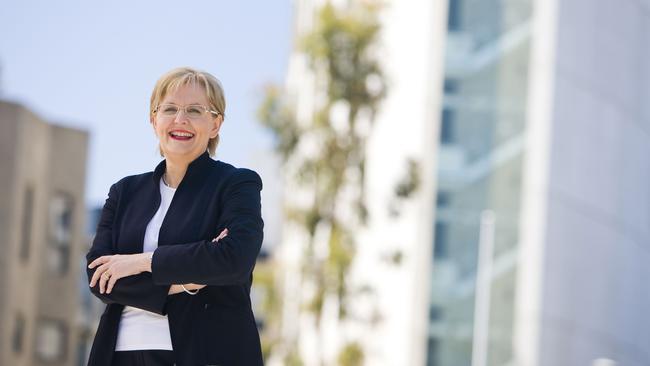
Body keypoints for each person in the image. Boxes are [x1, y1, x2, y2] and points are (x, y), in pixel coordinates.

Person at [85, 67, 264, 366]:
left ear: (216, 124)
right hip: (119, 354)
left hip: (206, 352)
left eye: (195, 110)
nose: (180, 120)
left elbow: (234, 259)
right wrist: (185, 281)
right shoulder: (124, 191)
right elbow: (98, 276)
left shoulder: (236, 184)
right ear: (154, 120)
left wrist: (139, 262)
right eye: (169, 109)